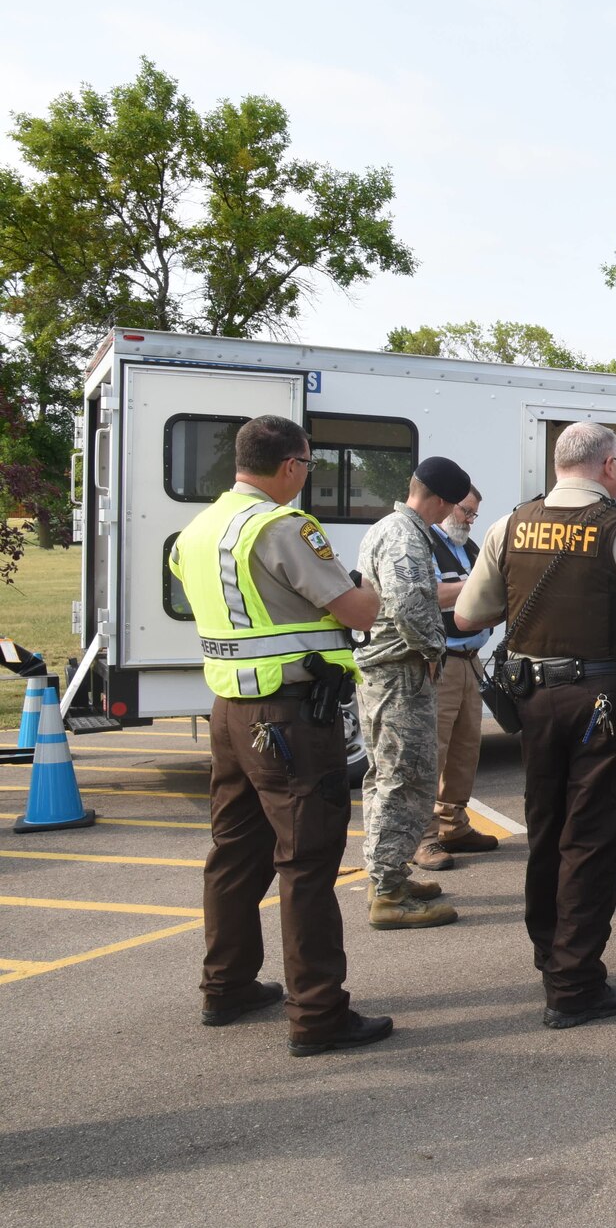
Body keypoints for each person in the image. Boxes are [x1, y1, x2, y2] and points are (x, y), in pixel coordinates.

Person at [455, 422, 616, 1028]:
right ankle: (574, 984)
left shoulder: (507, 525)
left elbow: (467, 615)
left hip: (533, 698)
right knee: (592, 835)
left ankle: (551, 954)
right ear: (611, 466)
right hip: (606, 700)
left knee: (548, 826)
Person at [169, 414, 391, 1056]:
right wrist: (364, 587)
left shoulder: (201, 527)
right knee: (307, 861)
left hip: (230, 711)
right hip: (289, 715)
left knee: (235, 852)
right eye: (307, 466)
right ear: (291, 466)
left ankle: (227, 985)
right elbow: (358, 611)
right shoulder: (284, 527)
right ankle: (319, 1014)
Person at [356, 456, 471, 931]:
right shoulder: (405, 536)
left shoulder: (388, 527)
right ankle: (388, 894)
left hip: (387, 672)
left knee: (387, 777)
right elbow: (407, 602)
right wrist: (430, 648)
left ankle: (389, 877)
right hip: (399, 672)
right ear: (441, 501)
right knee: (405, 778)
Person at [416, 486, 498, 873]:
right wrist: (480, 587)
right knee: (433, 750)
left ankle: (453, 824)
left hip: (470, 659)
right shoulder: (424, 542)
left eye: (474, 514)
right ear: (446, 505)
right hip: (441, 659)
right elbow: (431, 594)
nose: (469, 519)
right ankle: (424, 836)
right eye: (466, 511)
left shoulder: (468, 546)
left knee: (466, 748)